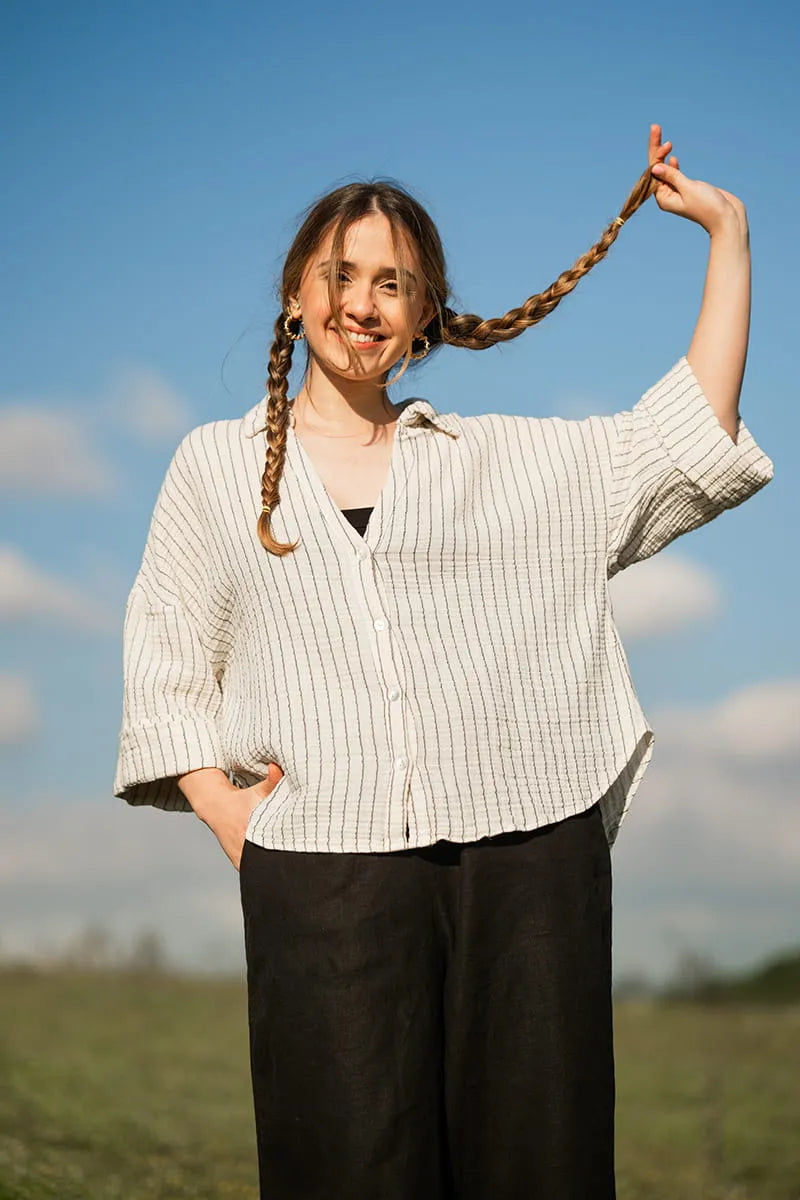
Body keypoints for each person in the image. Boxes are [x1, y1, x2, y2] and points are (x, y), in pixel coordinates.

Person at [113, 124, 773, 1199]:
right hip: (323, 873)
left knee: (538, 1165)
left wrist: (725, 235)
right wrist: (223, 810)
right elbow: (165, 646)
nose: (360, 304)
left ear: (424, 319)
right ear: (295, 290)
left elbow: (685, 437)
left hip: (530, 870)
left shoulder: (505, 462)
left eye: (392, 285)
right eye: (340, 275)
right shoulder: (212, 468)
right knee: (345, 1165)